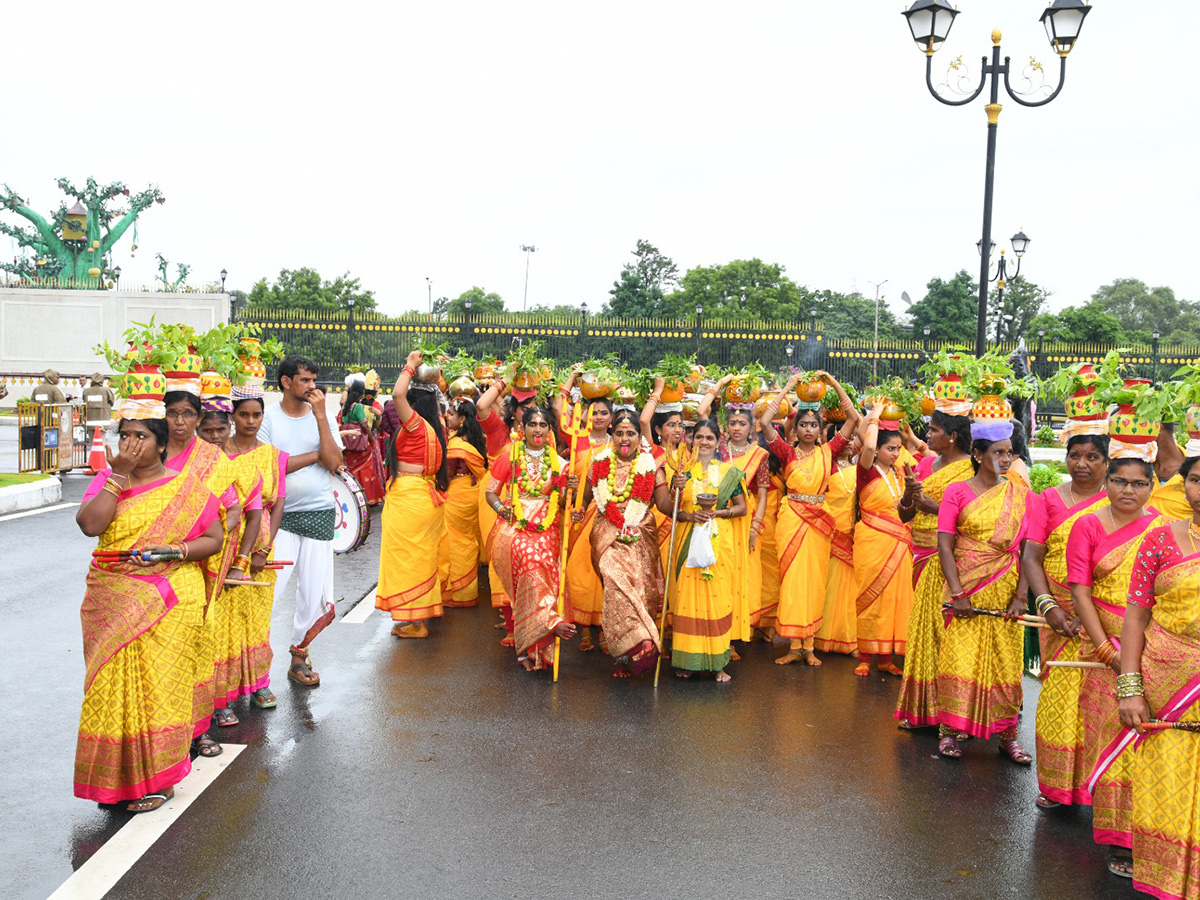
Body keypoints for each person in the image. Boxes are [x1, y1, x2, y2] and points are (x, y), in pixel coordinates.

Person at [74, 411, 223, 813]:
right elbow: (90, 525)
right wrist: (116, 476)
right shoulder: (109, 482)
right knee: (110, 688)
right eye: (124, 435)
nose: (129, 444)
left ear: (160, 444)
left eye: (139, 436)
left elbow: (214, 537)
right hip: (111, 596)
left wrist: (177, 551)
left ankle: (159, 778)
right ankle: (115, 782)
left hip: (170, 599)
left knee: (159, 689)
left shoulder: (186, 489)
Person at [1070, 456, 1163, 879]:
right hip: (1103, 642)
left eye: (1139, 483)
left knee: (1149, 740)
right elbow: (1080, 590)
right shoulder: (1087, 525)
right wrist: (1104, 648)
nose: (1129, 491)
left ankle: (1151, 832)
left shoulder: (1162, 527)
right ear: (1107, 482)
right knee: (1112, 738)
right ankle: (1117, 840)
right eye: (1121, 482)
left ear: (1152, 486)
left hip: (1152, 646)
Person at [1117, 455, 1200, 900]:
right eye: (1196, 480)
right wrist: (1130, 687)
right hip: (1166, 680)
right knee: (1164, 781)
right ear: (1182, 484)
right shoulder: (1159, 540)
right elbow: (1136, 618)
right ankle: (1165, 882)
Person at [934, 418, 1031, 762]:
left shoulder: (1021, 496)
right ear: (977, 453)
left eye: (1009, 453)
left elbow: (1028, 551)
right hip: (966, 591)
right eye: (998, 453)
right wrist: (958, 593)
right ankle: (949, 732)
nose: (1005, 460)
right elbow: (945, 545)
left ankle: (1008, 736)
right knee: (960, 660)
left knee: (1006, 665)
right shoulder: (956, 492)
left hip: (1006, 591)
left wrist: (1022, 595)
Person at [1021, 433, 1109, 808]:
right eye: (1074, 455)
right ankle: (1058, 787)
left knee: (1101, 707)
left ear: (1107, 462)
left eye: (1092, 456)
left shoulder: (1119, 501)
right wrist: (1048, 607)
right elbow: (1031, 556)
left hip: (1106, 619)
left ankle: (1100, 789)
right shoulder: (1049, 499)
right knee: (1059, 700)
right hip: (1059, 619)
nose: (1082, 464)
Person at [161, 387, 241, 758]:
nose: (180, 422)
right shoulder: (151, 452)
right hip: (146, 572)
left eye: (187, 414)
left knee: (195, 652)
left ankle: (199, 730)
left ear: (198, 417)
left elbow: (233, 510)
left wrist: (220, 559)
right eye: (172, 413)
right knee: (156, 662)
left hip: (195, 569)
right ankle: (160, 740)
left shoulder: (212, 459)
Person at [759, 372, 859, 666]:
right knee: (792, 582)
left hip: (818, 523)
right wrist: (788, 389)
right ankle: (793, 645)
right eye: (803, 424)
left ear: (820, 429)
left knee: (815, 582)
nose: (808, 429)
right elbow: (765, 423)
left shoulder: (829, 452)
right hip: (792, 521)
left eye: (813, 425)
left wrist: (834, 383)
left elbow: (852, 418)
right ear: (796, 428)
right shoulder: (786, 453)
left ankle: (810, 646)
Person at [258, 355, 343, 687]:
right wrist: (313, 457)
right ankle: (253, 666)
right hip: (279, 517)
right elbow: (268, 468)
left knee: (313, 593)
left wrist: (321, 417)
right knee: (268, 591)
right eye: (305, 380)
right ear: (285, 382)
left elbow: (335, 461)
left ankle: (299, 657)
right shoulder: (267, 419)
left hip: (320, 514)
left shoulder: (322, 416)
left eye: (314, 380)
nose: (312, 386)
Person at [894, 410, 974, 729]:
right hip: (921, 555)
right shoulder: (926, 465)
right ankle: (924, 710)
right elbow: (904, 514)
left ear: (953, 436)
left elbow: (976, 517)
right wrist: (910, 494)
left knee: (949, 635)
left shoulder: (973, 469)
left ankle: (952, 714)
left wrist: (935, 508)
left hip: (955, 560)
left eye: (934, 430)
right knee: (924, 634)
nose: (927, 436)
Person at [485, 405, 575, 671]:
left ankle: (539, 647)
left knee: (543, 564)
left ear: (550, 430)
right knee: (528, 559)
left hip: (547, 525)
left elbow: (562, 506)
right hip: (515, 525)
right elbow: (491, 493)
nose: (537, 429)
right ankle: (547, 625)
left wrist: (570, 494)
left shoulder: (560, 464)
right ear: (521, 429)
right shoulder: (509, 458)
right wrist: (502, 509)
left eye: (543, 424)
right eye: (532, 424)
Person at [575, 409, 664, 677]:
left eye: (631, 433)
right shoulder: (599, 462)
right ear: (612, 435)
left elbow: (664, 504)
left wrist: (678, 489)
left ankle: (636, 647)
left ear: (640, 436)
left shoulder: (651, 466)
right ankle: (627, 651)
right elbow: (587, 498)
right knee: (615, 582)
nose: (624, 438)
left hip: (639, 532)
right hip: (606, 532)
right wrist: (579, 507)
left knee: (639, 586)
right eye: (619, 433)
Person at [661, 416, 746, 681]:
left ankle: (718, 664)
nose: (704, 442)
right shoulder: (681, 473)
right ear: (690, 440)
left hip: (719, 543)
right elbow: (671, 509)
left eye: (710, 438)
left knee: (718, 599)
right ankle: (688, 660)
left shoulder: (728, 472)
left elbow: (742, 507)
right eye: (699, 437)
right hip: (687, 541)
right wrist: (681, 500)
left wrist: (717, 513)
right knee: (687, 601)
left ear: (718, 442)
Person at [197, 406, 264, 729]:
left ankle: (220, 702)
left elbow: (254, 515)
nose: (214, 438)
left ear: (229, 430)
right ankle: (195, 709)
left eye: (219, 431)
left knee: (224, 637)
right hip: (192, 564)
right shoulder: (185, 468)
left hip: (228, 565)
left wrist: (240, 563)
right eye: (207, 431)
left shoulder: (245, 468)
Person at [375, 352, 449, 637]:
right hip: (424, 496)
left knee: (408, 560)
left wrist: (410, 364)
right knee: (421, 560)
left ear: (417, 403)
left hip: (410, 497)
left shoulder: (417, 425)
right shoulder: (438, 426)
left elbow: (396, 394)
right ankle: (419, 618)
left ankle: (417, 623)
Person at [223, 389, 287, 710]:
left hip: (260, 544)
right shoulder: (219, 452)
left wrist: (264, 548)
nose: (250, 421)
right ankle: (224, 690)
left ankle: (260, 684)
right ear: (232, 415)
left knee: (258, 617)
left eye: (256, 415)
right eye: (244, 414)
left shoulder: (272, 455)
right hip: (223, 543)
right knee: (224, 619)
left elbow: (278, 505)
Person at [699, 379, 769, 651]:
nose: (737, 428)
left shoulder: (759, 455)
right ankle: (714, 631)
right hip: (714, 516)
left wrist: (754, 529)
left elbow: (761, 495)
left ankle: (732, 636)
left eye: (742, 424)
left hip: (743, 520)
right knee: (715, 572)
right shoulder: (720, 448)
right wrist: (720, 384)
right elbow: (703, 412)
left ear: (752, 427)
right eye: (732, 423)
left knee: (739, 577)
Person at [476, 372, 539, 645]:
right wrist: (504, 380)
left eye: (533, 405)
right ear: (513, 411)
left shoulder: (540, 432)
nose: (530, 411)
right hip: (496, 501)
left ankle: (529, 619)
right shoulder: (498, 430)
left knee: (529, 562)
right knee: (501, 563)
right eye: (524, 406)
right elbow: (480, 406)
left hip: (532, 504)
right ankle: (512, 626)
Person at [853, 406, 914, 676]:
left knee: (894, 599)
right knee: (870, 598)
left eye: (898, 448)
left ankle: (886, 658)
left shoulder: (899, 473)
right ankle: (865, 656)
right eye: (891, 448)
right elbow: (866, 446)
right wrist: (875, 415)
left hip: (899, 543)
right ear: (878, 450)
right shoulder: (866, 469)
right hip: (872, 542)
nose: (896, 453)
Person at [561, 386, 614, 653]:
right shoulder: (577, 442)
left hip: (608, 515)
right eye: (594, 413)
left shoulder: (619, 444)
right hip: (580, 514)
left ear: (611, 418)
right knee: (580, 571)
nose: (599, 418)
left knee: (603, 572)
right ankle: (583, 628)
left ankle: (604, 629)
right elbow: (567, 478)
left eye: (604, 413)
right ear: (586, 417)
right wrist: (568, 484)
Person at [439, 397, 488, 606]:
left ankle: (457, 592)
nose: (448, 416)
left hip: (457, 493)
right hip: (473, 491)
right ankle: (467, 592)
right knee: (468, 539)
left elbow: (448, 475)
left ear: (462, 419)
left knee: (453, 541)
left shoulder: (456, 445)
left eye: (452, 413)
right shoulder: (478, 439)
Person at [815, 431, 859, 655]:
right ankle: (824, 635)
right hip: (832, 532)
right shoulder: (824, 466)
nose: (850, 442)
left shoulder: (859, 467)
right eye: (846, 439)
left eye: (853, 439)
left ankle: (850, 638)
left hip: (854, 534)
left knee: (851, 588)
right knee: (830, 585)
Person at [337, 378, 387, 506]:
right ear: (361, 393)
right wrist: (371, 439)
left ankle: (351, 496)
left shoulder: (345, 407)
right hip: (360, 442)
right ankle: (367, 498)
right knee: (366, 469)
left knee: (351, 469)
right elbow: (364, 425)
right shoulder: (358, 406)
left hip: (348, 443)